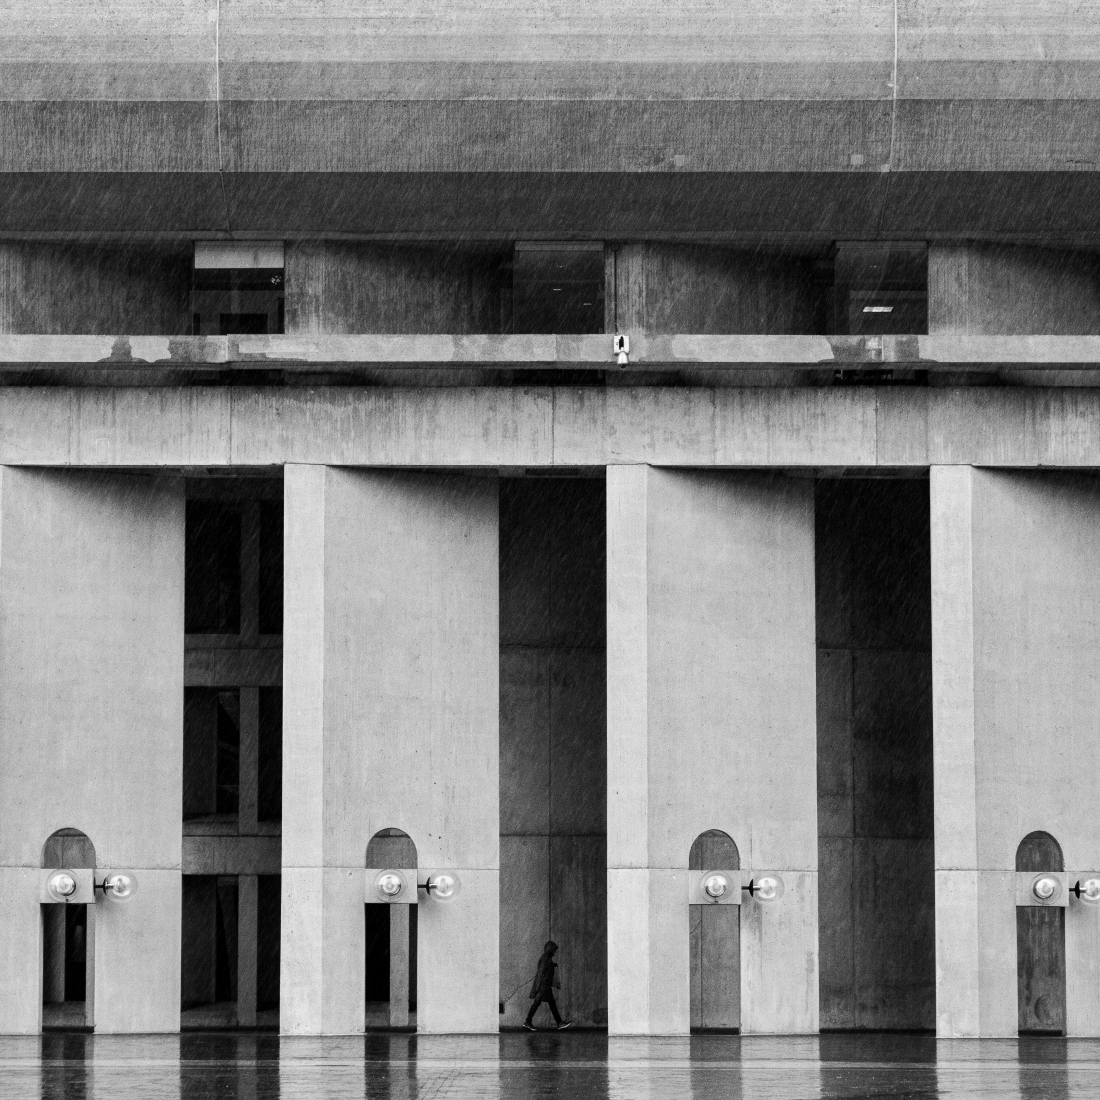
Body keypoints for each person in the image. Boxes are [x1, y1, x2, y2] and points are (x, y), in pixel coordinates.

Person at [523, 941, 572, 1031]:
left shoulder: (547, 958)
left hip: (544, 986)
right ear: (550, 950)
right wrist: (538, 988)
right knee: (548, 1004)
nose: (555, 952)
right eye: (554, 950)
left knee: (540, 1003)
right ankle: (558, 1023)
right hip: (543, 987)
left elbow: (544, 970)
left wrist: (552, 965)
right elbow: (541, 974)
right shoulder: (546, 959)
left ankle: (528, 1022)